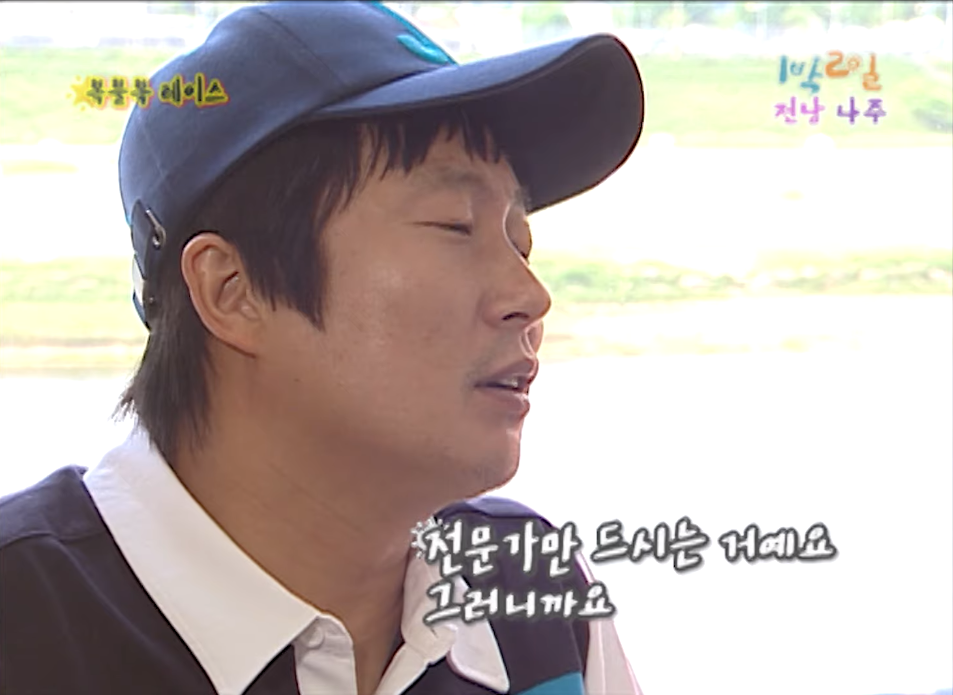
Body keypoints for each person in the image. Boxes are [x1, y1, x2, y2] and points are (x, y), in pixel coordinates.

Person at [0, 2, 645, 694]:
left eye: (519, 242)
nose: (530, 295)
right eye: (455, 226)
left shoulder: (534, 598)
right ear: (232, 290)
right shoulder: (26, 620)